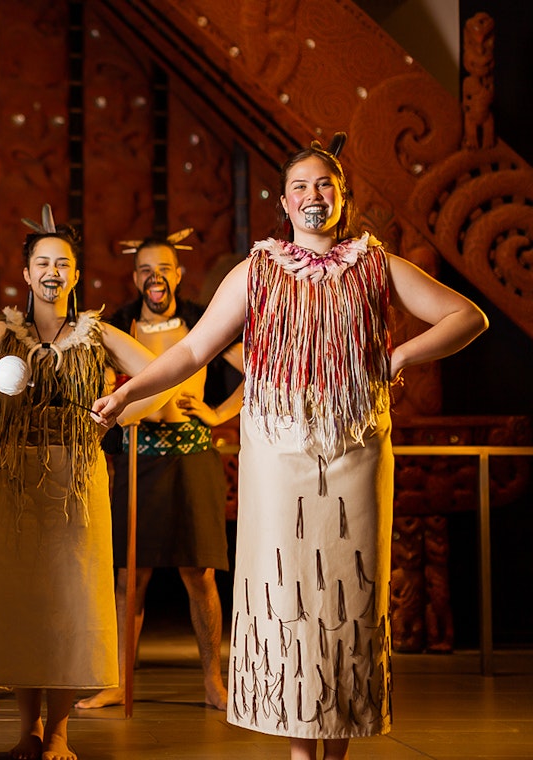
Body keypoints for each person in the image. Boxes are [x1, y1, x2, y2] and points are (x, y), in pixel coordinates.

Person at [91, 134, 488, 760]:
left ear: (343, 197)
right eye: (301, 186)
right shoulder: (256, 270)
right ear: (284, 200)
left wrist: (400, 354)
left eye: (325, 185)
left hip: (356, 449)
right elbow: (193, 352)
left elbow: (468, 317)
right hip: (279, 456)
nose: (313, 195)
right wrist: (127, 395)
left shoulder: (375, 264)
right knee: (289, 595)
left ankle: (336, 749)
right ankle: (302, 752)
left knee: (350, 595)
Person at [0, 211, 164, 760]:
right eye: (42, 262)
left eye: (62, 263)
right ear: (25, 274)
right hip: (13, 476)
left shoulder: (97, 333)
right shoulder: (2, 333)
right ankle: (26, 728)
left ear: (74, 274)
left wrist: (119, 410)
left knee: (71, 598)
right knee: (23, 599)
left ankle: (61, 731)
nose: (52, 271)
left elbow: (165, 380)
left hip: (78, 475)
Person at [77, 235, 243, 711]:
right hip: (137, 457)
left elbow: (257, 367)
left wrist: (217, 414)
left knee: (200, 573)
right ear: (136, 278)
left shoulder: (201, 322)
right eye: (146, 268)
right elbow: (98, 387)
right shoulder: (119, 327)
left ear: (177, 274)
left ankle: (214, 681)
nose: (155, 276)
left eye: (164, 267)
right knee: (131, 575)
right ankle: (117, 682)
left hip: (192, 453)